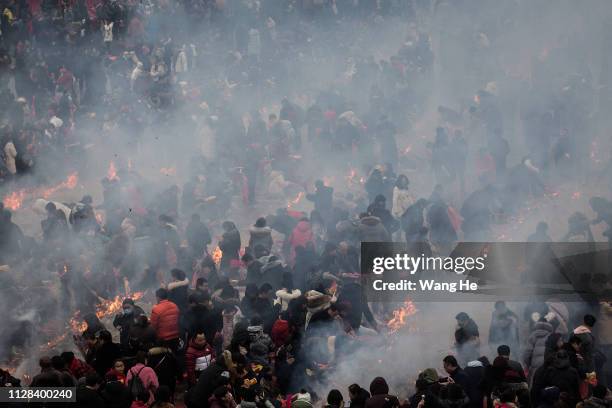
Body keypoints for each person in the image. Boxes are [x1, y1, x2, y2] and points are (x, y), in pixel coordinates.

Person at [523, 318, 554, 383]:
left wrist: (529, 364)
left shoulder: (533, 336)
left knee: (535, 385)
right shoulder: (551, 336)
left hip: (535, 366)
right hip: (547, 366)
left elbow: (527, 353)